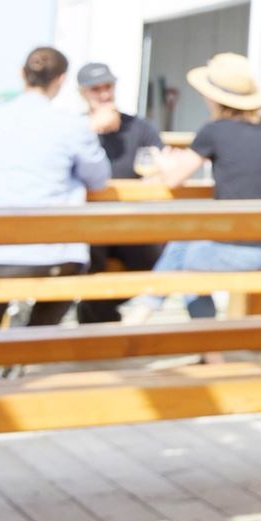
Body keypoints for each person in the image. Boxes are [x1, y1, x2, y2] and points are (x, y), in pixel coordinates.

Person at [120, 53, 261, 326]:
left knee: (184, 257)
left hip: (240, 252)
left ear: (215, 98)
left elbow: (173, 179)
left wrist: (163, 162)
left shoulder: (215, 131)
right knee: (186, 247)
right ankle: (150, 308)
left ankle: (161, 316)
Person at [0, 47, 110, 360]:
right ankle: (22, 349)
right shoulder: (71, 126)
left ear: (22, 74)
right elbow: (99, 179)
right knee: (72, 267)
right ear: (61, 81)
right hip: (47, 256)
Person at [73, 61, 165, 325]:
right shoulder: (75, 129)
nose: (104, 94)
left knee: (158, 258)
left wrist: (156, 176)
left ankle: (99, 313)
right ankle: (99, 325)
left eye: (108, 87)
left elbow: (159, 164)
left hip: (129, 219)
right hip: (84, 220)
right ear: (83, 93)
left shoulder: (139, 127)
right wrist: (90, 128)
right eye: (95, 89)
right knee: (90, 260)